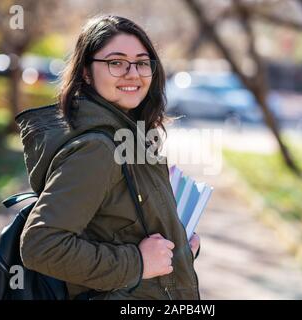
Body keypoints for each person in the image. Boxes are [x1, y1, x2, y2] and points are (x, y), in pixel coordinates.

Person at [17, 14, 201, 300]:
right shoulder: (98, 149)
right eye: (116, 62)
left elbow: (119, 230)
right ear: (86, 73)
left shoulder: (128, 136)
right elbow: (41, 246)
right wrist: (137, 263)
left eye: (142, 62)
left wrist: (180, 249)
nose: (133, 73)